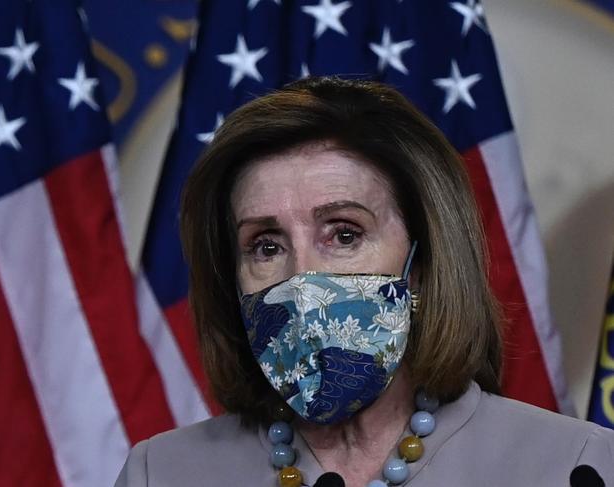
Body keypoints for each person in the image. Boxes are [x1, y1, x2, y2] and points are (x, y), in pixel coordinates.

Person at [115, 77, 614, 487]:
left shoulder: (572, 464)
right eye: (267, 246)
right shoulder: (161, 473)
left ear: (421, 262)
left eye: (345, 234)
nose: (303, 280)